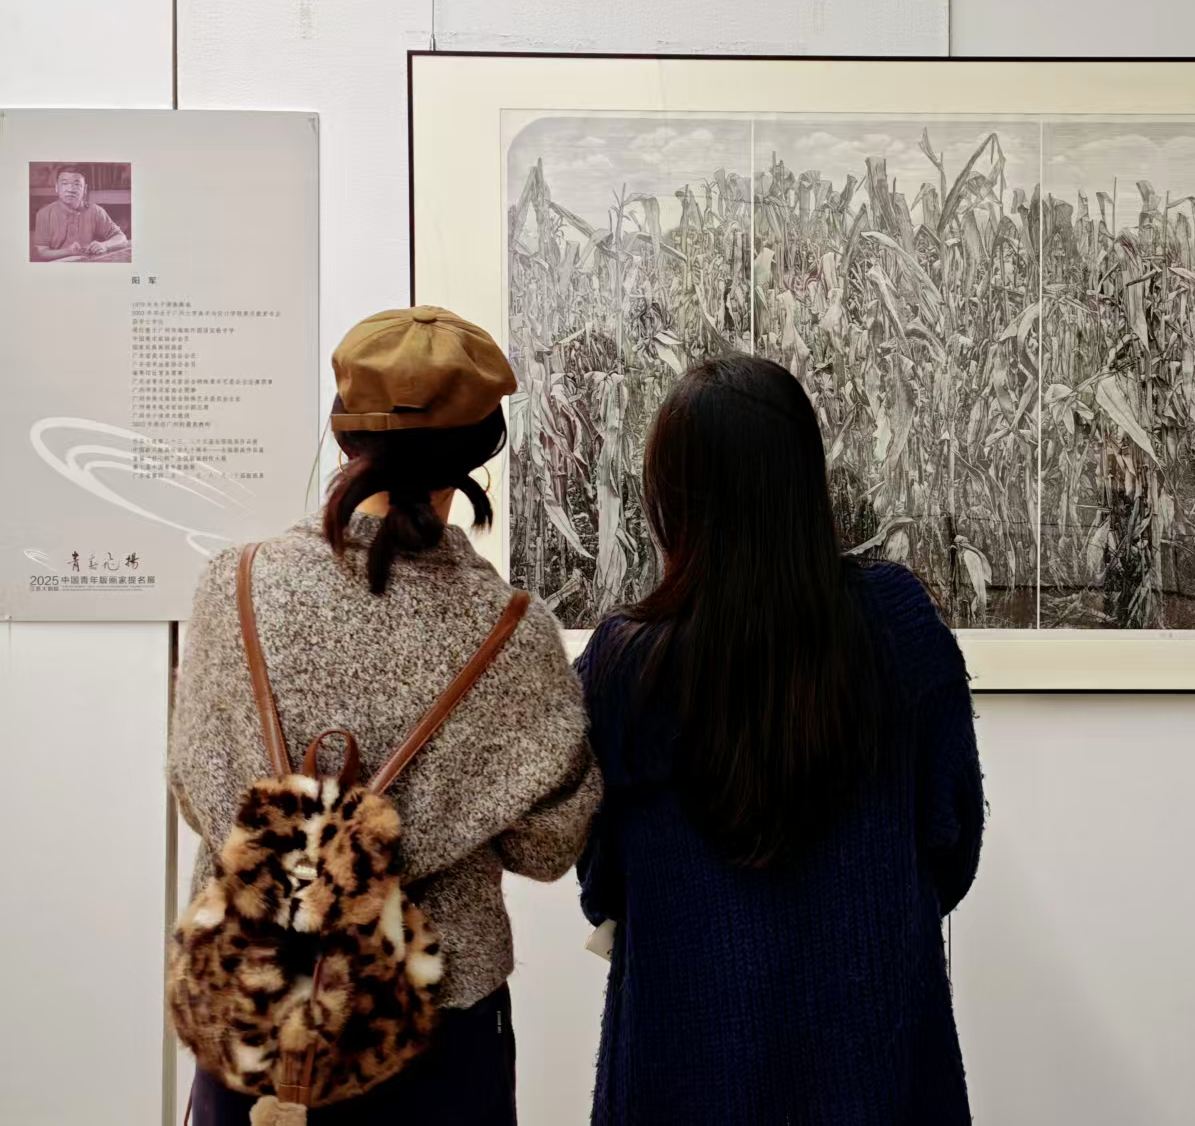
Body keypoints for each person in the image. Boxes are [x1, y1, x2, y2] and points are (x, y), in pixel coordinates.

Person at [170, 306, 600, 1125]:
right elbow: (549, 846)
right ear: (480, 453)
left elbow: (200, 798)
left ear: (344, 438)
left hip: (258, 1017)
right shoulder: (510, 631)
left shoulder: (235, 587)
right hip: (436, 1025)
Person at [576, 355, 985, 1125]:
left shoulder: (623, 665)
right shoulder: (897, 626)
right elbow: (952, 843)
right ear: (804, 478)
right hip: (877, 1075)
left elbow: (602, 885)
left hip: (683, 1078)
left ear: (670, 496)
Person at [32, 164, 129, 260]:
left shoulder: (96, 211)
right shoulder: (44, 214)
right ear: (57, 188)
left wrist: (105, 245)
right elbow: (41, 252)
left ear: (85, 189)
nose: (70, 189)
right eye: (64, 184)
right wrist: (68, 251)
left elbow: (121, 238)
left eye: (77, 184)